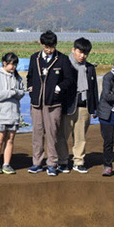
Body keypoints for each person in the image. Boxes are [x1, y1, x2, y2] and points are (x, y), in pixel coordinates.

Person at [26, 30, 75, 176]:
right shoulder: (34, 58)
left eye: (52, 47)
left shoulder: (62, 59)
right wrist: (32, 90)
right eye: (46, 47)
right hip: (37, 104)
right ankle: (37, 163)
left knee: (53, 134)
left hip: (53, 104)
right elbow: (30, 76)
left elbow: (69, 79)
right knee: (37, 133)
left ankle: (52, 164)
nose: (49, 50)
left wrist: (59, 88)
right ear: (42, 45)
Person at [55, 37, 99, 174]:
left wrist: (94, 107)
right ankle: (62, 161)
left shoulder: (90, 68)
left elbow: (94, 89)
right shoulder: (64, 64)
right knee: (63, 136)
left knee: (80, 137)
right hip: (67, 106)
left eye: (85, 53)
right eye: (80, 52)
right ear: (73, 50)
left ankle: (78, 161)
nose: (82, 56)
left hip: (84, 106)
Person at [0, 52, 25, 175]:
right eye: (11, 64)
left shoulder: (17, 77)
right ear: (4, 63)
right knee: (0, 138)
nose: (13, 67)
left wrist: (17, 93)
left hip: (13, 113)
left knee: (10, 139)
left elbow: (21, 92)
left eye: (15, 64)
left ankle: (6, 164)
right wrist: (10, 93)